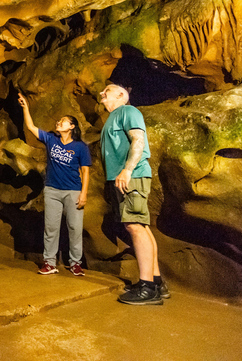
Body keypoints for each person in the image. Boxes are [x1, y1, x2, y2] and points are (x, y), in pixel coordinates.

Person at [99, 83, 169, 305]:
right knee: (141, 227)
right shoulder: (113, 117)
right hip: (124, 177)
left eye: (107, 90)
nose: (102, 92)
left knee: (134, 226)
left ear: (121, 95)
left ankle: (147, 288)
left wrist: (127, 170)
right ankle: (156, 282)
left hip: (132, 176)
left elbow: (138, 140)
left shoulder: (128, 111)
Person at [18, 93, 91, 276]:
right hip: (52, 190)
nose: (59, 122)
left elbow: (86, 171)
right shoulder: (51, 140)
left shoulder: (80, 147)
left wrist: (84, 194)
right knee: (51, 227)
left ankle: (75, 263)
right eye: (59, 121)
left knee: (74, 227)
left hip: (73, 191)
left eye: (63, 121)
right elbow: (31, 127)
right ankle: (50, 263)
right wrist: (26, 108)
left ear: (72, 127)